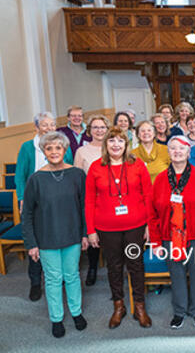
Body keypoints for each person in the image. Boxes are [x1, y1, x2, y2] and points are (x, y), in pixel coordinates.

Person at [21, 132, 88, 338]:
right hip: (46, 237)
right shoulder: (36, 179)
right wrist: (31, 243)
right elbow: (28, 213)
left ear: (65, 150)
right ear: (44, 152)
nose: (54, 152)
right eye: (49, 148)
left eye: (58, 148)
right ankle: (57, 318)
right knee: (53, 279)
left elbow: (85, 207)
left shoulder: (77, 175)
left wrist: (85, 234)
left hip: (73, 235)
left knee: (72, 276)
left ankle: (76, 313)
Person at [86, 127, 153, 329]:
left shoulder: (137, 165)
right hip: (107, 228)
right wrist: (91, 230)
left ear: (126, 144)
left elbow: (148, 196)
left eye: (120, 141)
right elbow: (89, 201)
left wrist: (150, 225)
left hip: (134, 226)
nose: (116, 145)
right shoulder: (96, 167)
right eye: (112, 141)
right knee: (114, 266)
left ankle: (139, 307)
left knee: (135, 264)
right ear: (106, 144)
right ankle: (119, 305)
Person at [149, 136, 195, 329]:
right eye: (173, 148)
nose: (177, 151)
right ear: (168, 153)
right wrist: (155, 242)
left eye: (181, 148)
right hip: (170, 236)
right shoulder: (161, 179)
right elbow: (152, 213)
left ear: (189, 152)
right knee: (176, 274)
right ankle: (179, 312)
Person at [16, 112, 73, 302]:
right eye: (45, 125)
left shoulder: (64, 145)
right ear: (36, 127)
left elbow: (70, 168)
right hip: (36, 199)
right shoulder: (27, 147)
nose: (49, 128)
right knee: (38, 241)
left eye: (52, 124)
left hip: (59, 199)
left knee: (61, 239)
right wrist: (23, 198)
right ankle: (35, 282)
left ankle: (63, 279)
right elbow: (20, 176)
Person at [73, 114, 109, 286]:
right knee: (93, 233)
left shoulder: (114, 147)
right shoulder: (82, 151)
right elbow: (77, 178)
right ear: (89, 130)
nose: (99, 130)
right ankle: (93, 267)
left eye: (102, 127)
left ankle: (115, 269)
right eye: (95, 127)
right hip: (92, 199)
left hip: (113, 199)